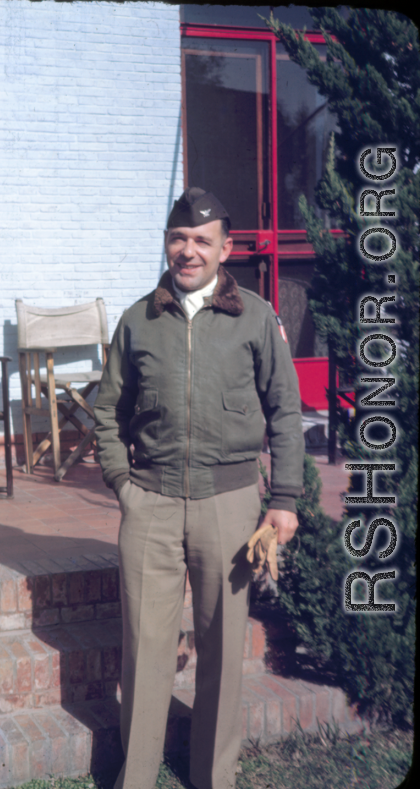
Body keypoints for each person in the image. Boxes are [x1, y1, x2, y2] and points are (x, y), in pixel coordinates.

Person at [94, 187, 304, 789]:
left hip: (230, 506)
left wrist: (284, 498)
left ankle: (213, 777)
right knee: (145, 650)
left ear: (226, 249)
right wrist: (122, 484)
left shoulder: (257, 318)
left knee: (221, 649)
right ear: (168, 242)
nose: (189, 251)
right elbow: (107, 412)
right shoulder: (139, 320)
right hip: (151, 502)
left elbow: (286, 412)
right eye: (179, 238)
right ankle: (135, 778)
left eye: (202, 241)